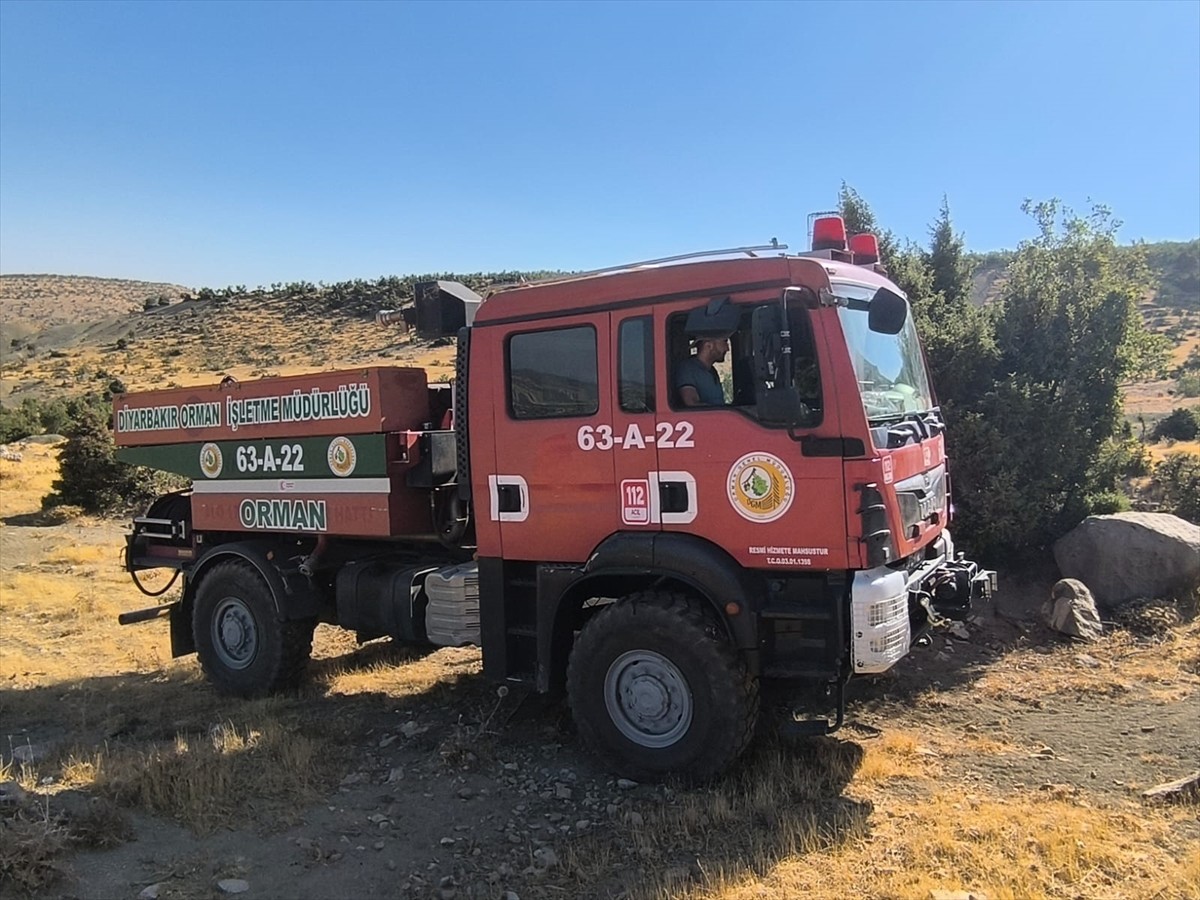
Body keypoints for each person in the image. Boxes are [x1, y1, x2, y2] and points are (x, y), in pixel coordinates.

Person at [675, 334, 729, 406]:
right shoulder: (687, 369)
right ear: (709, 345)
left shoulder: (712, 371)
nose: (727, 348)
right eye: (725, 341)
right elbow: (692, 403)